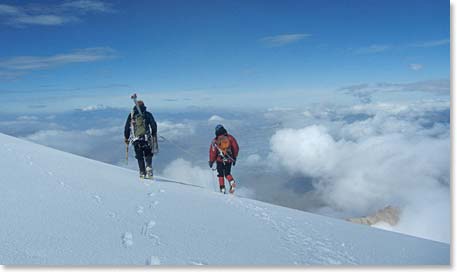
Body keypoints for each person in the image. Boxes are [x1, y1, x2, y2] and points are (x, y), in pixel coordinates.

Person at [124, 100, 158, 179]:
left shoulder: (131, 116)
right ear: (144, 106)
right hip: (146, 138)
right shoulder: (148, 114)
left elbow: (126, 128)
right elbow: (153, 125)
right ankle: (148, 167)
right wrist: (153, 134)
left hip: (136, 140)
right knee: (148, 154)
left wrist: (126, 138)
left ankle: (142, 172)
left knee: (139, 156)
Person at [209, 124, 239, 194]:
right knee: (227, 173)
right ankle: (231, 182)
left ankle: (222, 189)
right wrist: (234, 157)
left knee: (220, 174)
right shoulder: (230, 138)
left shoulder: (215, 140)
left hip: (219, 160)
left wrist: (211, 161)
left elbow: (213, 152)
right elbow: (236, 148)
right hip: (229, 159)